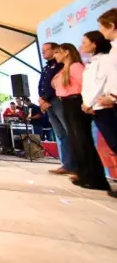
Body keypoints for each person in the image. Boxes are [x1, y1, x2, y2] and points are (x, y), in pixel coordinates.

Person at [53, 43, 109, 191]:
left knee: (83, 141)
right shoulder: (64, 69)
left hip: (76, 103)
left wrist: (87, 103)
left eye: (57, 52)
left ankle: (96, 179)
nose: (55, 55)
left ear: (66, 52)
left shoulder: (76, 66)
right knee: (76, 142)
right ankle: (84, 175)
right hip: (66, 104)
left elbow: (86, 86)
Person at [38, 42, 75, 175]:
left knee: (69, 131)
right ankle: (67, 164)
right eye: (42, 51)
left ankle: (76, 165)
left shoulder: (61, 65)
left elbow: (56, 85)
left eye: (45, 50)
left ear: (54, 50)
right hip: (47, 102)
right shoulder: (46, 67)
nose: (43, 53)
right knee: (60, 134)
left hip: (58, 101)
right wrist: (41, 99)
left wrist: (46, 99)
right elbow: (42, 84)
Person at [81, 31, 117, 156]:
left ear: (94, 44)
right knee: (111, 143)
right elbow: (88, 85)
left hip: (103, 106)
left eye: (84, 42)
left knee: (114, 142)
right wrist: (86, 103)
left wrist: (88, 103)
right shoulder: (92, 61)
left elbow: (100, 83)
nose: (82, 46)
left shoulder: (105, 59)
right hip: (95, 107)